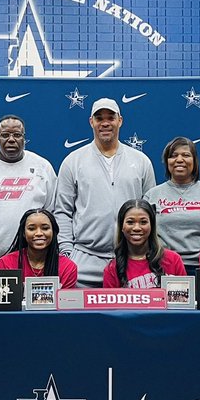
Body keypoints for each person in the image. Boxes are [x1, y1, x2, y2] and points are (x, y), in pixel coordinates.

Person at [55, 99, 157, 286]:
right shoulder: (73, 161)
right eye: (99, 118)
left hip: (131, 259)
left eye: (111, 117)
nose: (105, 123)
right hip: (84, 260)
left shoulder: (141, 161)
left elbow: (150, 211)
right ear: (91, 122)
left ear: (120, 121)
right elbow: (63, 211)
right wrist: (67, 252)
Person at [0, 115, 57, 260]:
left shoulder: (43, 167)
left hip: (33, 257)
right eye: (5, 135)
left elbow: (51, 212)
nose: (11, 139)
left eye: (17, 135)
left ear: (24, 138)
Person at [143, 137, 200, 274]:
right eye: (173, 156)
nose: (179, 160)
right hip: (165, 267)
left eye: (186, 155)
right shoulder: (152, 196)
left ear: (194, 161)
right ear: (167, 161)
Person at [103, 200, 186, 289]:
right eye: (130, 222)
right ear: (122, 227)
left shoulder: (173, 260)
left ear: (151, 226)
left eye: (143, 222)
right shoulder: (112, 269)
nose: (137, 228)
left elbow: (185, 296)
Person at [0, 208, 79, 288]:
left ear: (53, 232)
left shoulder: (68, 267)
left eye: (45, 228)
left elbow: (66, 298)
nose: (39, 233)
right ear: (24, 233)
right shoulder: (5, 263)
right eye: (31, 229)